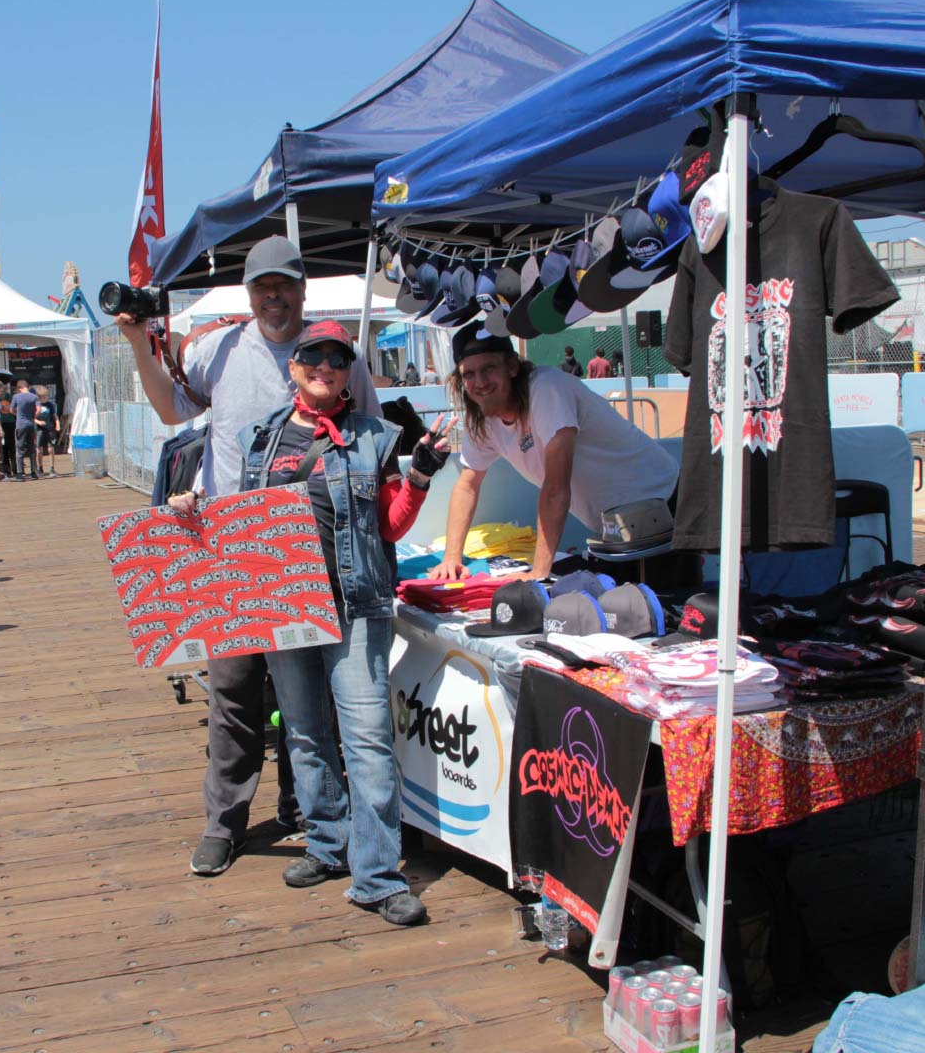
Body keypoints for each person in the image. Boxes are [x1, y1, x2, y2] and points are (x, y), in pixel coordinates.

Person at [116, 235, 382, 877]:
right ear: (249, 292)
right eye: (262, 286)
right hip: (232, 544)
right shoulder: (219, 349)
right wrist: (136, 343)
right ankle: (223, 823)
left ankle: (306, 813)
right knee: (233, 691)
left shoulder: (339, 354)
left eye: (284, 285)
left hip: (312, 547)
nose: (273, 296)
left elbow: (369, 438)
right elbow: (173, 408)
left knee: (306, 697)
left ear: (301, 289)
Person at [175, 320, 454, 924]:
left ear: (348, 370)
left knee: (368, 740)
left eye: (337, 358)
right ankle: (328, 847)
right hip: (284, 608)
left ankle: (378, 875)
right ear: (293, 367)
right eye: (312, 357)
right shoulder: (260, 440)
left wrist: (421, 475)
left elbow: (391, 525)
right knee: (303, 732)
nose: (324, 366)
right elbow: (236, 519)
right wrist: (189, 508)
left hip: (355, 606)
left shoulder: (377, 436)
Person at [427, 328, 678, 582]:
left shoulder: (546, 388)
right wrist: (451, 559)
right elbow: (467, 485)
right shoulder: (483, 418)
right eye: (469, 374)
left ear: (512, 366)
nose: (480, 382)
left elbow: (555, 488)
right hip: (615, 525)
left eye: (489, 368)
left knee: (662, 611)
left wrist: (538, 573)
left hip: (662, 502)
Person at [10, 379, 40, 480]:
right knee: (32, 448)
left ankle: (20, 473)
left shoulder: (16, 397)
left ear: (19, 388)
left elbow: (11, 410)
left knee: (20, 448)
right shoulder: (34, 397)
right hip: (31, 424)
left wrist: (17, 414)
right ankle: (33, 472)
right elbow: (38, 409)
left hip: (21, 425)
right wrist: (33, 417)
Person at [35, 385, 59, 475]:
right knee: (39, 449)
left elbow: (54, 415)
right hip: (39, 429)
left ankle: (52, 468)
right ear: (39, 397)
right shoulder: (36, 405)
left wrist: (57, 423)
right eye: (43, 397)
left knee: (50, 449)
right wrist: (38, 422)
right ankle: (39, 467)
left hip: (50, 428)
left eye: (46, 396)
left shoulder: (50, 405)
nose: (45, 398)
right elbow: (32, 417)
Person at [0, 395, 18, 479]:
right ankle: (8, 471)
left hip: (10, 425)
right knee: (5, 450)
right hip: (3, 426)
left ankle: (14, 471)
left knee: (11, 449)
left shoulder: (9, 397)